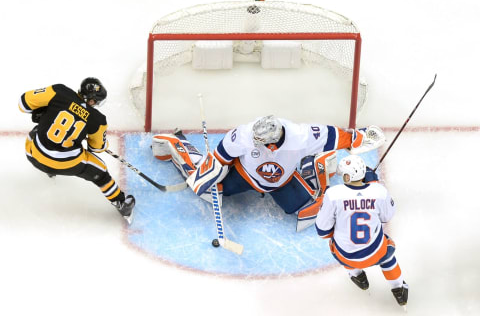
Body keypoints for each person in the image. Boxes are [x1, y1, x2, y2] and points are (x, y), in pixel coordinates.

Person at [151, 115, 385, 231]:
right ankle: (177, 146)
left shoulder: (301, 136)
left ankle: (317, 163)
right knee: (207, 189)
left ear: (272, 144)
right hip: (244, 174)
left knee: (306, 213)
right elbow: (218, 158)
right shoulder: (243, 135)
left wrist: (359, 137)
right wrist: (203, 179)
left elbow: (335, 136)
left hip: (281, 182)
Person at [18, 78, 135, 224]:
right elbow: (96, 148)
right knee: (101, 172)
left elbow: (23, 103)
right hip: (67, 164)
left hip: (33, 155)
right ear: (91, 101)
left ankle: (50, 171)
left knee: (37, 131)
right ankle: (120, 203)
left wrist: (44, 111)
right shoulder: (98, 119)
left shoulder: (59, 91)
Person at [315, 154, 408, 307]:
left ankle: (358, 276)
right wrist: (373, 184)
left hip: (346, 257)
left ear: (347, 176)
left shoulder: (333, 194)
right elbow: (387, 216)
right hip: (375, 253)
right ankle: (399, 290)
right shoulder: (379, 191)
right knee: (387, 251)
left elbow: (322, 231)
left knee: (335, 243)